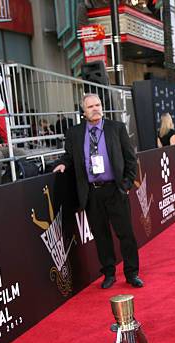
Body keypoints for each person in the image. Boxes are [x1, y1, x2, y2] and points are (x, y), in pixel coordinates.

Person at [53, 93, 143, 290]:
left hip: (115, 189)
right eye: (90, 106)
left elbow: (130, 157)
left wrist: (126, 184)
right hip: (91, 193)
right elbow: (69, 156)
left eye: (98, 105)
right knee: (101, 236)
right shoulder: (75, 133)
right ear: (83, 112)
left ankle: (132, 273)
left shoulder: (116, 128)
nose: (95, 108)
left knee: (126, 234)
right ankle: (109, 273)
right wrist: (62, 164)